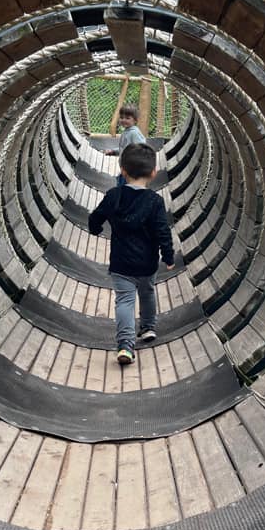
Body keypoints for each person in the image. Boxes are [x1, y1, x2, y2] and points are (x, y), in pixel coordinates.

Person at [89, 143, 175, 366]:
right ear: (154, 173)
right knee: (147, 293)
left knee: (125, 301)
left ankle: (126, 345)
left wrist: (95, 228)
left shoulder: (114, 195)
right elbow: (162, 231)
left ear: (123, 171)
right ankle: (148, 327)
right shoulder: (155, 202)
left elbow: (97, 216)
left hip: (121, 263)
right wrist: (168, 256)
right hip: (147, 263)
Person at [105, 102, 147, 186]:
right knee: (122, 183)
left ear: (135, 120)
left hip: (131, 168)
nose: (123, 120)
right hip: (125, 167)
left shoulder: (134, 133)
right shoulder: (127, 131)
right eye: (121, 117)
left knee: (126, 186)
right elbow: (125, 147)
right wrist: (114, 151)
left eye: (127, 118)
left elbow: (142, 147)